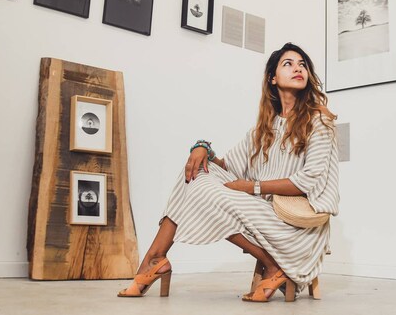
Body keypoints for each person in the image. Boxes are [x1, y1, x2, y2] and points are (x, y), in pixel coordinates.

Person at [117, 42, 339, 302]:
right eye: (288, 64)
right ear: (273, 78)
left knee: (210, 193)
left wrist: (252, 187)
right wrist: (202, 148)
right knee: (196, 172)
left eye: (302, 64)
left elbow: (308, 181)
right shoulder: (262, 130)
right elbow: (228, 167)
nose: (298, 68)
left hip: (294, 223)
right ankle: (155, 258)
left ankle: (271, 265)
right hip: (260, 212)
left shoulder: (319, 121)